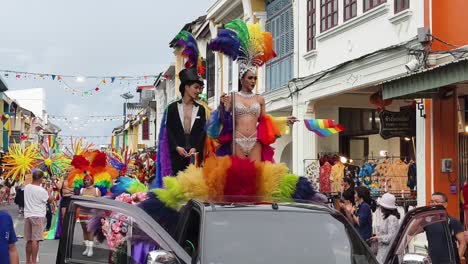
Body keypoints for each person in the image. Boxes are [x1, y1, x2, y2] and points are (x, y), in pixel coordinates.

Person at [209, 18, 296, 162]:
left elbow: (265, 121)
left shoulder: (259, 99)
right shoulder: (233, 96)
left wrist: (284, 120)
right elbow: (224, 120)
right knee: (240, 176)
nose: (253, 81)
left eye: (255, 78)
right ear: (241, 79)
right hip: (237, 140)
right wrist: (222, 105)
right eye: (250, 78)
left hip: (255, 141)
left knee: (255, 176)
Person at [165, 68, 206, 175]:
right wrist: (176, 147)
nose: (198, 91)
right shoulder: (172, 108)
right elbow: (168, 130)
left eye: (199, 88)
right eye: (196, 87)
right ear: (186, 87)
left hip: (195, 155)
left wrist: (195, 148)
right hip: (176, 156)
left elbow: (203, 131)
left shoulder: (201, 109)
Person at [425, 192, 466, 263]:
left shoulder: (453, 221)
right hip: (433, 261)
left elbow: (463, 242)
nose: (433, 204)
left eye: (436, 201)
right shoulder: (427, 221)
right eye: (431, 202)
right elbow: (411, 232)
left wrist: (456, 260)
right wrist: (418, 219)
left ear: (445, 204)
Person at [24, 169, 53, 264]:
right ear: (40, 178)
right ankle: (34, 261)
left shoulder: (27, 187)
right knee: (35, 240)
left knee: (29, 240)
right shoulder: (41, 190)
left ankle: (28, 261)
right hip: (38, 215)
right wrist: (49, 192)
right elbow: (50, 200)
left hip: (28, 215)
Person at [369, 193, 400, 263]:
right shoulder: (388, 218)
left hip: (387, 254)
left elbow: (392, 237)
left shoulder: (392, 218)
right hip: (384, 253)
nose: (380, 207)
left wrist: (378, 238)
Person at [78, 174, 101, 257]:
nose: (86, 182)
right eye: (84, 180)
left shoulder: (96, 190)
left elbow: (100, 203)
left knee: (90, 231)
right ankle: (87, 248)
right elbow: (78, 201)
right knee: (84, 231)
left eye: (87, 180)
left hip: (92, 214)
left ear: (91, 180)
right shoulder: (82, 190)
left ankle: (91, 249)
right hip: (82, 213)